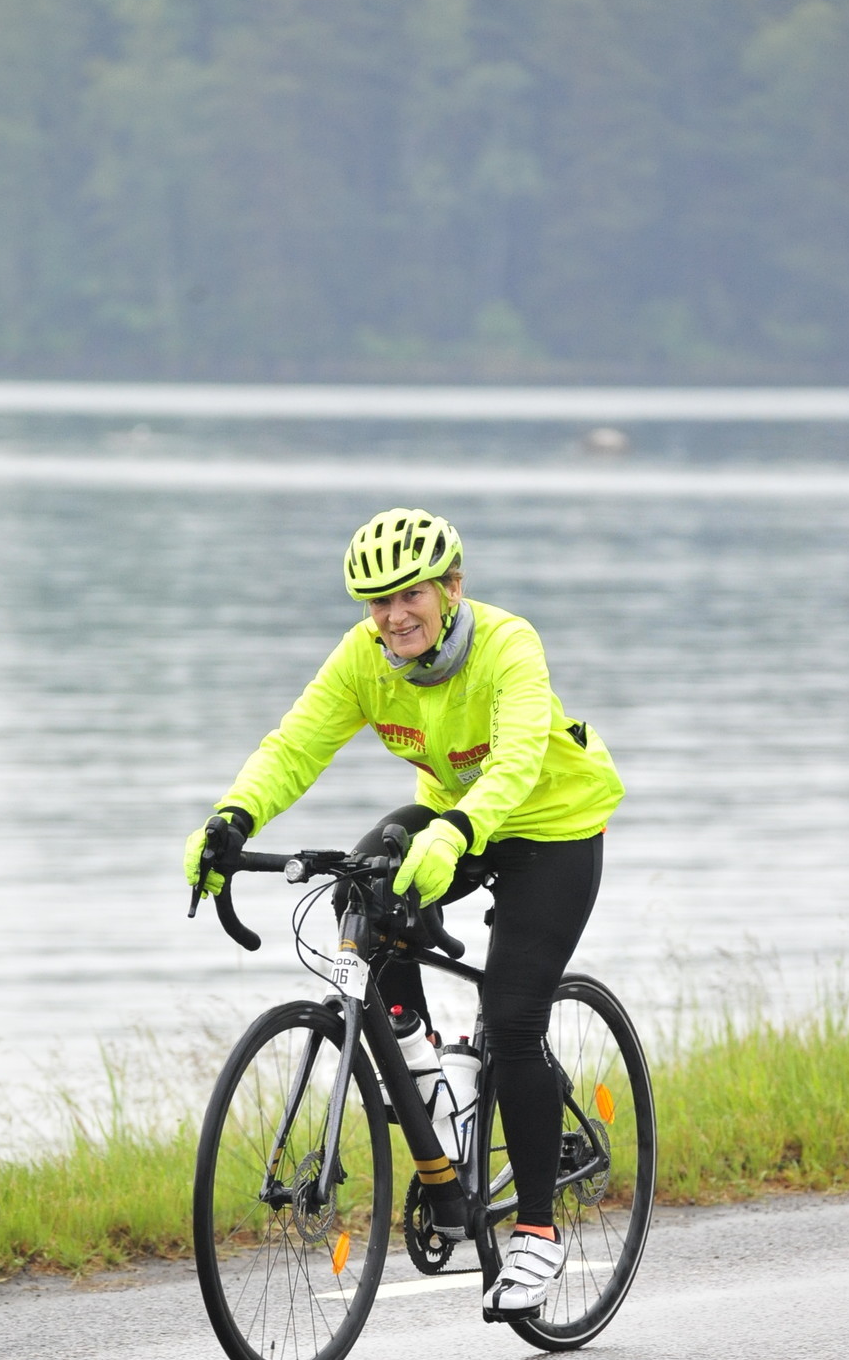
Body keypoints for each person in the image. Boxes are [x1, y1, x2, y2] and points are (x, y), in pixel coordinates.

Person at [184, 507, 623, 1319]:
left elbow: (517, 758)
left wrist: (457, 831)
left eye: (410, 594)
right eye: (377, 601)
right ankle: (431, 1075)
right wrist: (233, 818)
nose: (393, 616)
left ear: (452, 589)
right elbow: (295, 746)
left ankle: (536, 1233)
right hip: (457, 818)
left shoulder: (508, 644)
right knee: (360, 893)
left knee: (513, 1019)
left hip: (553, 825)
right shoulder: (365, 658)